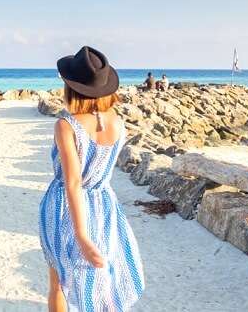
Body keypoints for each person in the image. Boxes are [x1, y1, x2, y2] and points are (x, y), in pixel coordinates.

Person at [40, 46, 145, 312]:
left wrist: (81, 236)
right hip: (105, 206)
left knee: (60, 283)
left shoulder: (66, 125)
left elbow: (73, 183)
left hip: (65, 209)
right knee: (103, 284)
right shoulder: (118, 122)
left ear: (71, 88)